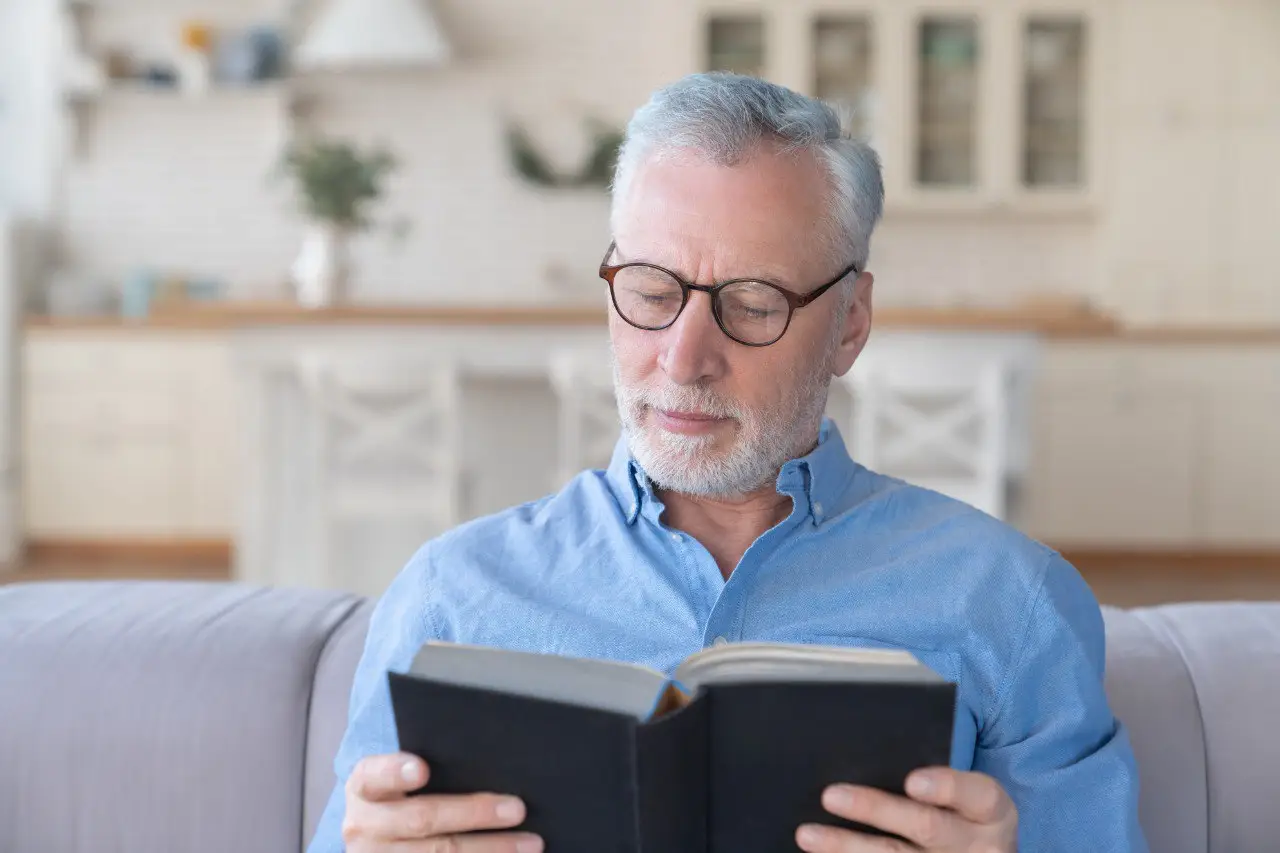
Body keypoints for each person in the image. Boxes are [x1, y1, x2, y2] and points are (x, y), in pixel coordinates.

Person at [308, 72, 1148, 853]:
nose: (682, 358)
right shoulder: (449, 596)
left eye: (752, 304)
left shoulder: (1011, 601)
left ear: (850, 322)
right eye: (648, 290)